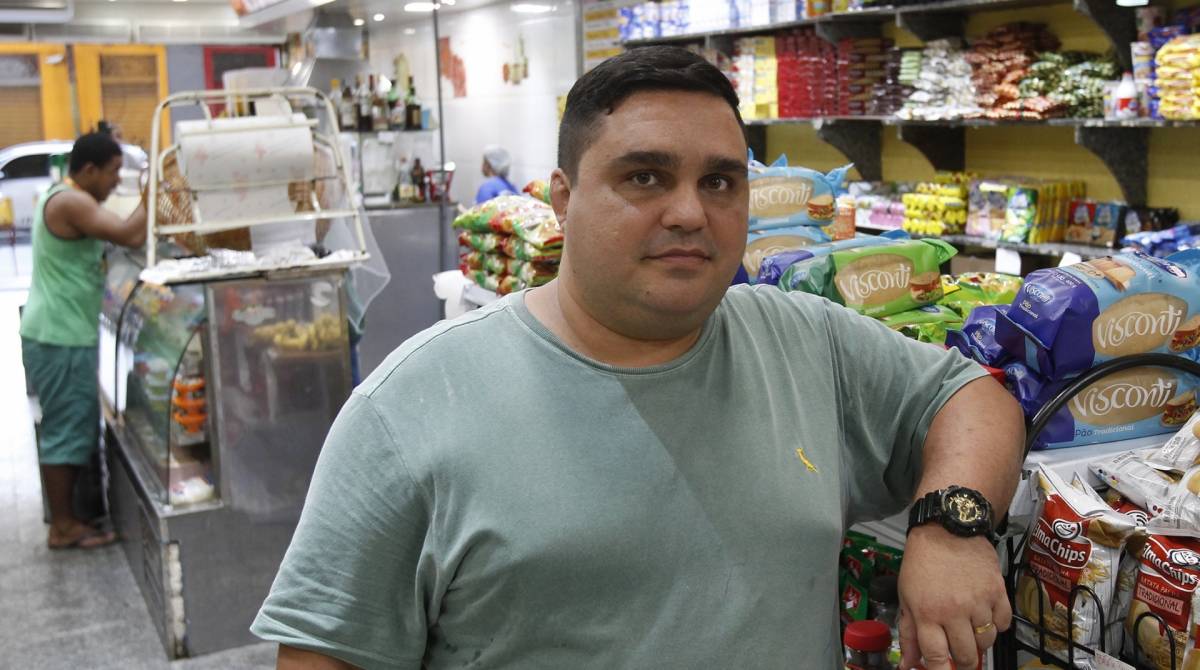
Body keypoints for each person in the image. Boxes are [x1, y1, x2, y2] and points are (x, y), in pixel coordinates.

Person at [252, 47, 1025, 670]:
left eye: (720, 181)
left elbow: (968, 397)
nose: (690, 212)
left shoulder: (804, 340)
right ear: (563, 199)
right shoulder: (408, 409)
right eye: (644, 176)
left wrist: (949, 529)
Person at [21, 132, 147, 550]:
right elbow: (131, 234)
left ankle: (68, 520)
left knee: (69, 426)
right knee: (66, 429)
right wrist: (156, 190)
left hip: (61, 331)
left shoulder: (63, 196)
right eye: (112, 173)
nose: (115, 182)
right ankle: (64, 527)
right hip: (60, 335)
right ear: (88, 170)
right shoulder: (72, 201)